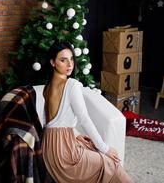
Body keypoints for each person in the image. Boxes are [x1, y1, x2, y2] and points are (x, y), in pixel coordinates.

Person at [41, 43, 133, 183]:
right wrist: (105, 148)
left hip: (49, 149)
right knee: (110, 162)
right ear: (52, 62)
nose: (69, 64)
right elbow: (84, 119)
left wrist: (75, 135)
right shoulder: (71, 85)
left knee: (89, 145)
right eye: (63, 60)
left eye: (71, 59)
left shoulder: (47, 88)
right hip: (64, 154)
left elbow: (51, 122)